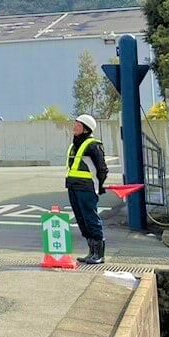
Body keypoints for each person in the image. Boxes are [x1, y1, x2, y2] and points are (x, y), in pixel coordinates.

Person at [66, 113, 108, 265]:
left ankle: (99, 254)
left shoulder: (93, 145)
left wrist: (99, 185)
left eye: (78, 124)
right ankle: (91, 251)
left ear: (85, 129)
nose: (74, 126)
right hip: (73, 186)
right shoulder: (74, 145)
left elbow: (102, 169)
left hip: (86, 188)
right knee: (81, 219)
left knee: (91, 219)